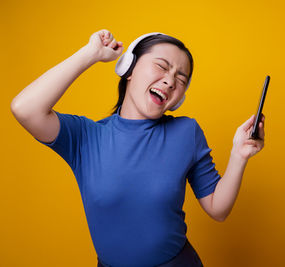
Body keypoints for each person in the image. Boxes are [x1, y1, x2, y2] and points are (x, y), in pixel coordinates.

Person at [10, 29, 265, 267]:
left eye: (180, 78)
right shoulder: (85, 136)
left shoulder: (187, 132)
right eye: (161, 67)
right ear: (128, 68)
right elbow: (25, 108)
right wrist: (91, 54)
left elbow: (217, 209)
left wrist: (238, 154)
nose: (170, 81)